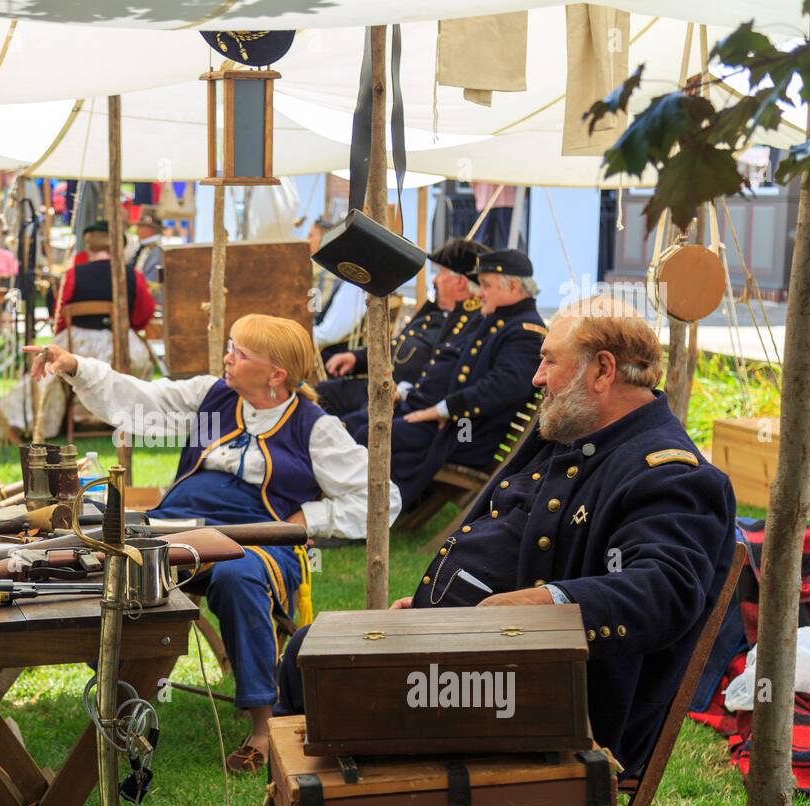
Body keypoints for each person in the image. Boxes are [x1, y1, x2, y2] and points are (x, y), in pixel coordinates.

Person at [278, 298, 737, 778]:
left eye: (549, 361)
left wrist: (545, 603)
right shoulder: (582, 430)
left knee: (318, 666)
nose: (536, 378)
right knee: (311, 652)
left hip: (540, 707)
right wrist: (435, 611)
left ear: (603, 371)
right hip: (486, 664)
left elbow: (668, 589)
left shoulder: (668, 473)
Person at [26, 315, 401, 772]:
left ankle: (264, 725)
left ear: (276, 374)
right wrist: (77, 366)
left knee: (237, 577)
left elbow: (382, 499)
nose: (228, 357)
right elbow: (142, 399)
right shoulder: (213, 397)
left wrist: (310, 517)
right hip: (179, 528)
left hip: (258, 540)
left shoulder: (313, 427)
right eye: (230, 347)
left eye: (240, 353)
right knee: (110, 562)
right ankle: (124, 695)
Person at [358, 248, 544, 509]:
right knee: (365, 426)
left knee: (373, 434)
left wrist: (440, 411)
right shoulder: (501, 318)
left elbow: (500, 388)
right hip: (450, 424)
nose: (479, 293)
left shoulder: (526, 331)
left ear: (513, 286)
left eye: (486, 285)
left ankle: (366, 512)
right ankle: (361, 507)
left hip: (465, 435)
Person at [318, 239, 489, 419]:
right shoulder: (432, 312)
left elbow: (440, 375)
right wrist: (356, 358)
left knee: (349, 425)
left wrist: (403, 393)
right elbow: (396, 346)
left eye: (441, 273)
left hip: (401, 401)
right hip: (377, 387)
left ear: (460, 282)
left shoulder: (467, 324)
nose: (435, 279)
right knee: (319, 395)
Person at [52, 219, 155, 378]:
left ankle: (71, 401)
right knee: (140, 369)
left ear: (89, 246)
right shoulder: (133, 276)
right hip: (119, 345)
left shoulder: (73, 274)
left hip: (77, 347)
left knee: (55, 367)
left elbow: (59, 314)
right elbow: (144, 313)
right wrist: (127, 326)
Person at [307, 217, 367, 360]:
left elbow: (329, 333)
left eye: (310, 236)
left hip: (331, 359)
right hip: (316, 344)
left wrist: (296, 336)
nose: (306, 240)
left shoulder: (350, 282)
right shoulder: (315, 272)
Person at [127, 209, 164, 306]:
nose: (136, 230)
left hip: (149, 302)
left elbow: (151, 282)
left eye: (140, 227)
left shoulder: (155, 251)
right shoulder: (147, 249)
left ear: (150, 230)